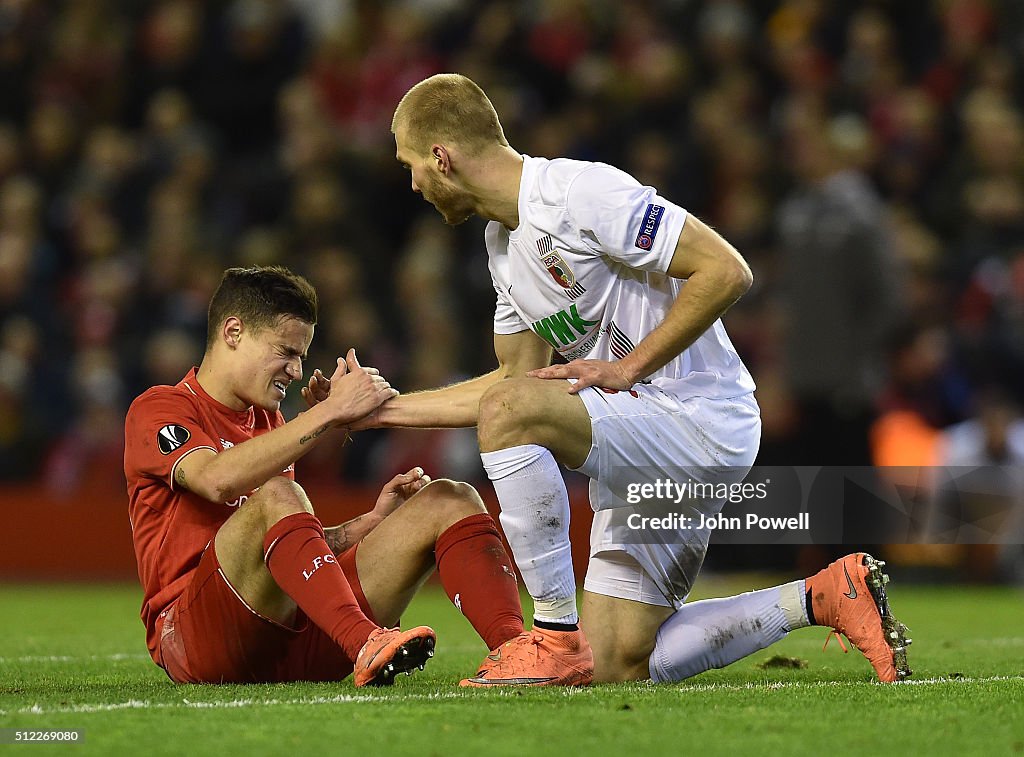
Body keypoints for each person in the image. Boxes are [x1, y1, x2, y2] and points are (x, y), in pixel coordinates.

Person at [373, 73, 912, 686]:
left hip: (697, 418)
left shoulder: (582, 193)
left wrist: (628, 367)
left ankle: (551, 634)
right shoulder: (502, 246)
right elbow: (513, 381)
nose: (412, 183)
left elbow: (726, 269)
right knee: (617, 661)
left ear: (441, 158)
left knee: (511, 412)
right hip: (636, 434)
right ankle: (823, 596)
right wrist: (379, 410)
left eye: (411, 164)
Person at [124, 265, 524, 685]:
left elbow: (286, 554)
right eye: (286, 352)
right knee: (280, 492)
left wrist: (366, 525)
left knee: (451, 497)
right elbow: (215, 480)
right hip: (196, 640)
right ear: (233, 333)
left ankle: (516, 651)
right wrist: (327, 413)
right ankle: (365, 642)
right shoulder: (160, 408)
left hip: (283, 636)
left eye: (301, 356)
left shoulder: (269, 422)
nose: (296, 372)